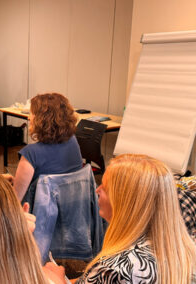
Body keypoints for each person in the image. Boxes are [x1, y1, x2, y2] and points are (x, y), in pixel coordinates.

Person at [48, 154, 196, 283]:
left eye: (105, 188)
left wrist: (57, 279)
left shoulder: (114, 269)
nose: (97, 190)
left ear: (124, 201)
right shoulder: (183, 249)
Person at [13, 93, 83, 201]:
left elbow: (14, 202)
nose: (28, 117)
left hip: (39, 214)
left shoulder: (30, 154)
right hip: (73, 210)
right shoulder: (73, 142)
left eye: (32, 114)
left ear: (42, 119)